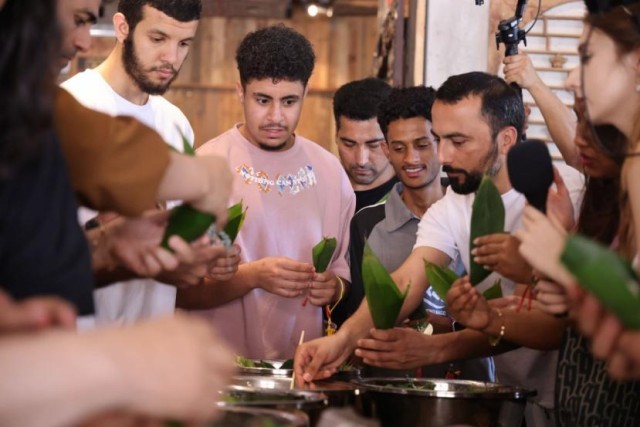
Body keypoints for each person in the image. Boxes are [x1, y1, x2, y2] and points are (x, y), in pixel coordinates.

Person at [295, 71, 584, 425]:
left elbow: (560, 322)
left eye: (458, 141)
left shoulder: (567, 193)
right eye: (440, 139)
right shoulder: (452, 206)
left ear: (506, 139)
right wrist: (341, 341)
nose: (443, 155)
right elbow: (405, 280)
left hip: (576, 395)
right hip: (512, 397)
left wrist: (439, 346)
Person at [0, 0, 234, 424]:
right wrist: (116, 365)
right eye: (78, 19)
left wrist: (114, 247)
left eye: (184, 43)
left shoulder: (172, 121)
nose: (83, 41)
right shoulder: (60, 105)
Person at [178, 25, 355, 359]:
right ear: (240, 92)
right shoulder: (202, 168)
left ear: (306, 93)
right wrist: (251, 276)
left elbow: (342, 277)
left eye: (289, 101)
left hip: (301, 369)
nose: (276, 117)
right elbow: (178, 294)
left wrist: (333, 288)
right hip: (215, 369)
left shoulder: (331, 173)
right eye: (262, 100)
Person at [61, 0, 240, 325]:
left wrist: (206, 251)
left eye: (184, 43)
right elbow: (39, 245)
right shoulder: (73, 104)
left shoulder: (176, 122)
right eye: (158, 39)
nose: (172, 57)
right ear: (122, 27)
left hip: (149, 333)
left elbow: (174, 232)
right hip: (79, 335)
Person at [343, 85, 494, 381]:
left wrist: (451, 327)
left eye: (422, 144)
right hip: (389, 385)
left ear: (441, 143)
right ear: (386, 150)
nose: (411, 158)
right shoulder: (367, 223)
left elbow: (502, 311)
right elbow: (359, 315)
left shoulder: (479, 211)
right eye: (399, 148)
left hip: (470, 384)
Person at [333, 78, 397, 212]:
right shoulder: (319, 192)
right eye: (349, 144)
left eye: (374, 145)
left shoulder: (411, 200)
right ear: (336, 135)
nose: (361, 160)